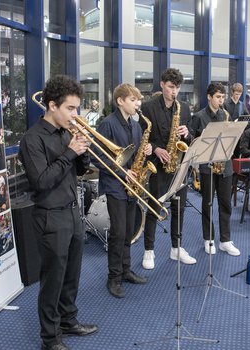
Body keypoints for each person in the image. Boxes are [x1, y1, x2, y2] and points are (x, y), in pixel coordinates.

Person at [19, 75, 98, 350]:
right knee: (52, 280)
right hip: (49, 215)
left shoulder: (67, 133)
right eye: (71, 108)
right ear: (52, 105)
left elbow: (76, 171)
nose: (75, 115)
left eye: (77, 108)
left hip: (72, 211)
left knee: (71, 275)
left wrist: (82, 153)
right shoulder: (32, 139)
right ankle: (50, 339)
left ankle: (69, 321)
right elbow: (41, 181)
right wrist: (69, 152)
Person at [91, 84, 149, 298]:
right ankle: (113, 278)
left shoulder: (136, 125)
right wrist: (123, 172)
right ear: (120, 101)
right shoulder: (107, 124)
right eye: (133, 100)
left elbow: (136, 155)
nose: (138, 104)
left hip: (132, 186)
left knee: (128, 232)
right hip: (116, 185)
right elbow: (96, 156)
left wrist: (147, 150)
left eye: (138, 100)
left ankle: (125, 270)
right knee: (118, 233)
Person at [140, 68, 197, 269]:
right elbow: (142, 137)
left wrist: (186, 132)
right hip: (158, 165)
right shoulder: (147, 108)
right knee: (154, 208)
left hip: (179, 164)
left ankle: (176, 248)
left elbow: (190, 138)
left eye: (177, 88)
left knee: (179, 208)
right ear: (162, 84)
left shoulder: (184, 107)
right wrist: (156, 149)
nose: (174, 92)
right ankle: (149, 250)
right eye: (171, 87)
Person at [192, 82, 240, 256]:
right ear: (209, 97)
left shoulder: (225, 115)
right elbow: (193, 142)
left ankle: (225, 240)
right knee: (208, 203)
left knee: (226, 204)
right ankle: (209, 239)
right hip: (207, 167)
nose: (221, 100)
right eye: (218, 97)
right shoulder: (198, 117)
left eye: (222, 97)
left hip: (225, 166)